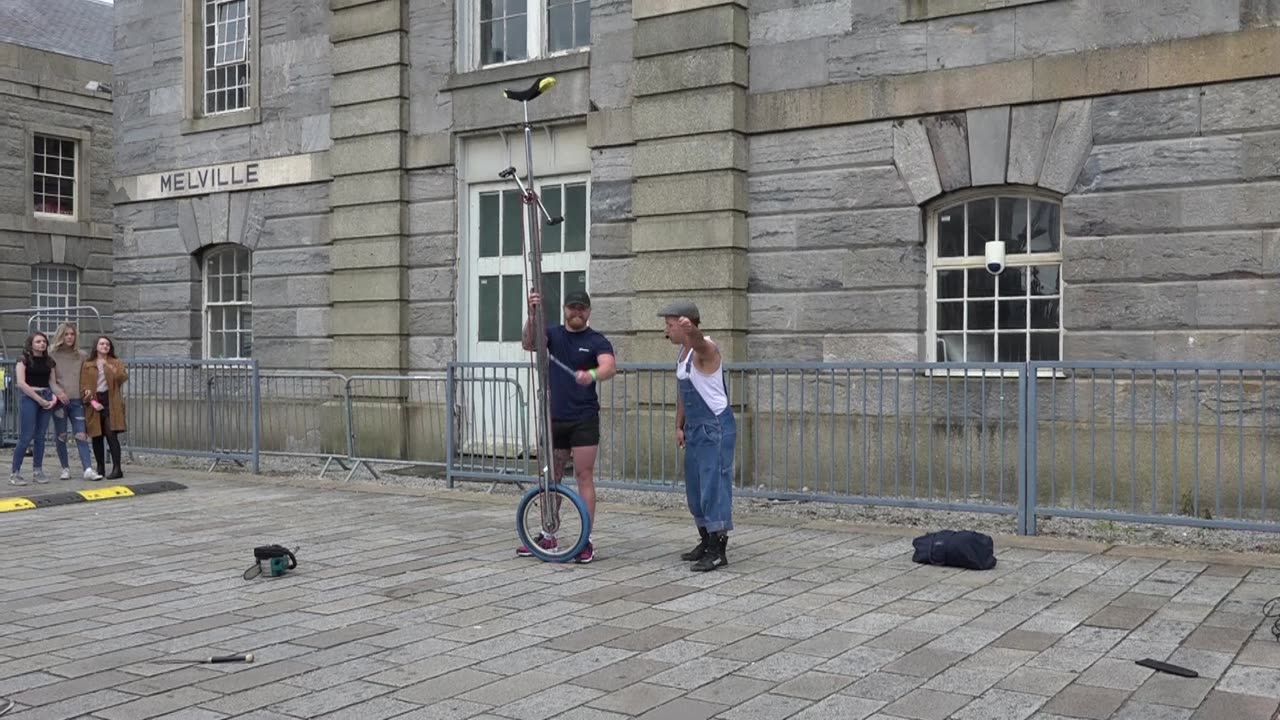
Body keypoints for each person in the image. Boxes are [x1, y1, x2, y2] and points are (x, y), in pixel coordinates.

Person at [517, 289, 615, 563]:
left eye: (581, 308)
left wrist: (591, 374)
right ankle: (548, 533)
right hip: (554, 419)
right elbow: (529, 343)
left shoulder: (596, 340)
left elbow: (609, 366)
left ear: (588, 311)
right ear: (564, 309)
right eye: (572, 307)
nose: (576, 312)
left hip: (583, 418)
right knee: (551, 478)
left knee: (584, 476)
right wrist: (533, 313)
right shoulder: (554, 335)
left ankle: (586, 540)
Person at [662, 301, 735, 572]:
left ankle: (718, 548)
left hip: (714, 427)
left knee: (713, 487)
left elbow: (703, 346)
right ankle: (705, 538)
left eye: (670, 325)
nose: (666, 331)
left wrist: (693, 333)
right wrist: (679, 424)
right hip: (694, 428)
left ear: (686, 324)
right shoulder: (682, 353)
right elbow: (685, 391)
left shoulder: (706, 349)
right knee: (695, 487)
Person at [49, 323, 104, 481]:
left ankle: (87, 468)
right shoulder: (52, 354)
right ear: (61, 336)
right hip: (60, 401)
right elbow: (51, 380)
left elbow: (85, 378)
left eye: (72, 334)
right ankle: (65, 468)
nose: (69, 337)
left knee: (81, 434)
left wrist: (88, 393)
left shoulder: (82, 355)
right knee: (61, 435)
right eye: (66, 334)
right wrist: (59, 393)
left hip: (77, 401)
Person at [9, 331, 63, 486]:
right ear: (31, 344)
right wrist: (38, 399)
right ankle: (15, 472)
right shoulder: (23, 359)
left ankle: (37, 470)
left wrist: (54, 397)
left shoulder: (49, 361)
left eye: (44, 341)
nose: (42, 344)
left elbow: (52, 383)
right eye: (38, 341)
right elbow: (21, 383)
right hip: (30, 397)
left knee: (40, 436)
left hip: (46, 395)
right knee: (26, 436)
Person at [80, 335, 128, 480]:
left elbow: (122, 378)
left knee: (111, 434)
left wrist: (111, 368)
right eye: (102, 344)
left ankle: (117, 468)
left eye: (107, 344)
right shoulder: (88, 364)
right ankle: (100, 466)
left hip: (111, 399)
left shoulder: (115, 362)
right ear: (96, 346)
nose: (105, 346)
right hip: (95, 399)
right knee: (97, 435)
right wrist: (90, 398)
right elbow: (84, 384)